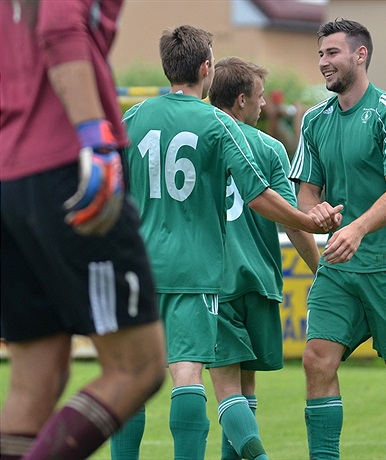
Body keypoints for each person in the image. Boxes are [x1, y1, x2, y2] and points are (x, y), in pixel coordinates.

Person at [114, 25, 341, 460]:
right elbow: (258, 196)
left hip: (140, 268)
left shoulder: (134, 118)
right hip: (195, 270)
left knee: (132, 377)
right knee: (187, 374)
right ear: (206, 67)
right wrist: (307, 222)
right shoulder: (217, 122)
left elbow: (110, 192)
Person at [0, 1, 167, 459]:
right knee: (139, 366)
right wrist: (94, 136)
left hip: (10, 176)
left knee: (35, 383)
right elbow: (58, 23)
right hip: (66, 165)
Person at [288, 19, 386, 460]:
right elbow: (307, 191)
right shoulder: (315, 120)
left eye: (332, 53)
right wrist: (314, 210)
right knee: (317, 359)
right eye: (320, 55)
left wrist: (355, 227)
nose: (323, 63)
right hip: (339, 267)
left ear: (360, 55)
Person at [206, 56, 322, 460]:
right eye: (258, 98)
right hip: (259, 279)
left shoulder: (198, 139)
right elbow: (294, 223)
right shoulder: (269, 147)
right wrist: (319, 270)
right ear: (240, 101)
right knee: (246, 391)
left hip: (213, 280)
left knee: (225, 391)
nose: (261, 106)